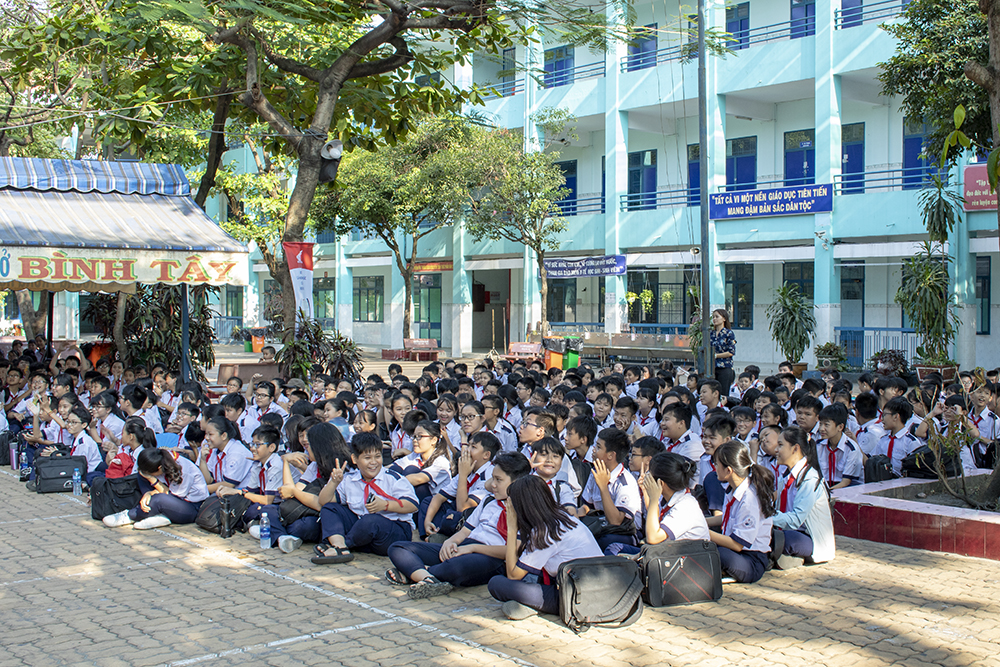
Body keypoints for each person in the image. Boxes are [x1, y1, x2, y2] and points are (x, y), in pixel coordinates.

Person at [385, 452, 532, 599]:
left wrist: (472, 548)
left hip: (491, 557)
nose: (492, 484)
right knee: (398, 548)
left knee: (456, 566)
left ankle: (414, 572)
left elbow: (513, 552)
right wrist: (450, 542)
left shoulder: (525, 511)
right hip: (465, 547)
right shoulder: (489, 501)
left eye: (498, 480)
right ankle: (427, 578)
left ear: (516, 482)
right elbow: (465, 531)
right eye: (492, 478)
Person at [487, 475, 603, 620]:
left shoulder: (544, 532)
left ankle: (531, 605)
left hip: (576, 597)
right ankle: (528, 604)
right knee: (528, 575)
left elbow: (513, 574)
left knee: (497, 583)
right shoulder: (563, 517)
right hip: (595, 587)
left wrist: (511, 528)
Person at [311, 432, 418, 564]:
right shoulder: (350, 479)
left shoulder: (393, 478)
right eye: (367, 458)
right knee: (330, 508)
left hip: (392, 533)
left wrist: (385, 505)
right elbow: (324, 502)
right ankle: (340, 546)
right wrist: (333, 483)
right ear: (355, 459)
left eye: (377, 456)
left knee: (371, 520)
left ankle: (343, 545)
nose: (374, 462)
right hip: (362, 533)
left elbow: (412, 505)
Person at [707, 440, 775, 584]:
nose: (715, 468)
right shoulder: (733, 488)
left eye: (717, 464)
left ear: (729, 470)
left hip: (751, 559)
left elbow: (737, 544)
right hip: (737, 552)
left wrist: (704, 532)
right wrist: (700, 522)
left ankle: (727, 571)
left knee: (714, 551)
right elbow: (726, 518)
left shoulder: (749, 498)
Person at [771, 427, 836, 564]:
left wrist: (767, 518)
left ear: (795, 448)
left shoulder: (809, 478)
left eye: (781, 445)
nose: (776, 450)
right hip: (790, 530)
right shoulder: (788, 476)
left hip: (808, 538)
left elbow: (795, 519)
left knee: (781, 538)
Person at [103, 448, 209, 529]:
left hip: (191, 508)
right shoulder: (161, 459)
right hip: (170, 499)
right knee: (142, 475)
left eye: (152, 473)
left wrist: (151, 488)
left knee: (159, 499)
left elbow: (171, 495)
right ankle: (158, 514)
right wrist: (149, 492)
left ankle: (131, 515)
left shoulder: (184, 469)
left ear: (159, 468)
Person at [420, 432, 499, 539]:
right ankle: (430, 533)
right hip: (457, 507)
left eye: (474, 447)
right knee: (428, 501)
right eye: (468, 445)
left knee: (457, 516)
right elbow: (440, 496)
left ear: (486, 455)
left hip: (470, 516)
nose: (467, 450)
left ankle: (441, 538)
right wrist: (427, 521)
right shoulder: (469, 467)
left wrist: (462, 475)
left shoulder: (489, 475)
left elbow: (463, 508)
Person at [578, 427, 641, 550]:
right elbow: (587, 507)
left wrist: (603, 487)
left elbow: (615, 521)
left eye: (599, 447)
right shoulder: (596, 471)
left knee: (600, 541)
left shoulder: (625, 482)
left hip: (623, 533)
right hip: (600, 524)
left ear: (611, 455)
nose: (594, 451)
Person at [709, 308, 736, 392]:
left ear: (724, 318)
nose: (714, 319)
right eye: (713, 317)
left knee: (723, 392)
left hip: (724, 367)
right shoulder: (711, 333)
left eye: (717, 317)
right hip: (712, 367)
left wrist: (716, 355)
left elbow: (731, 352)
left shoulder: (728, 333)